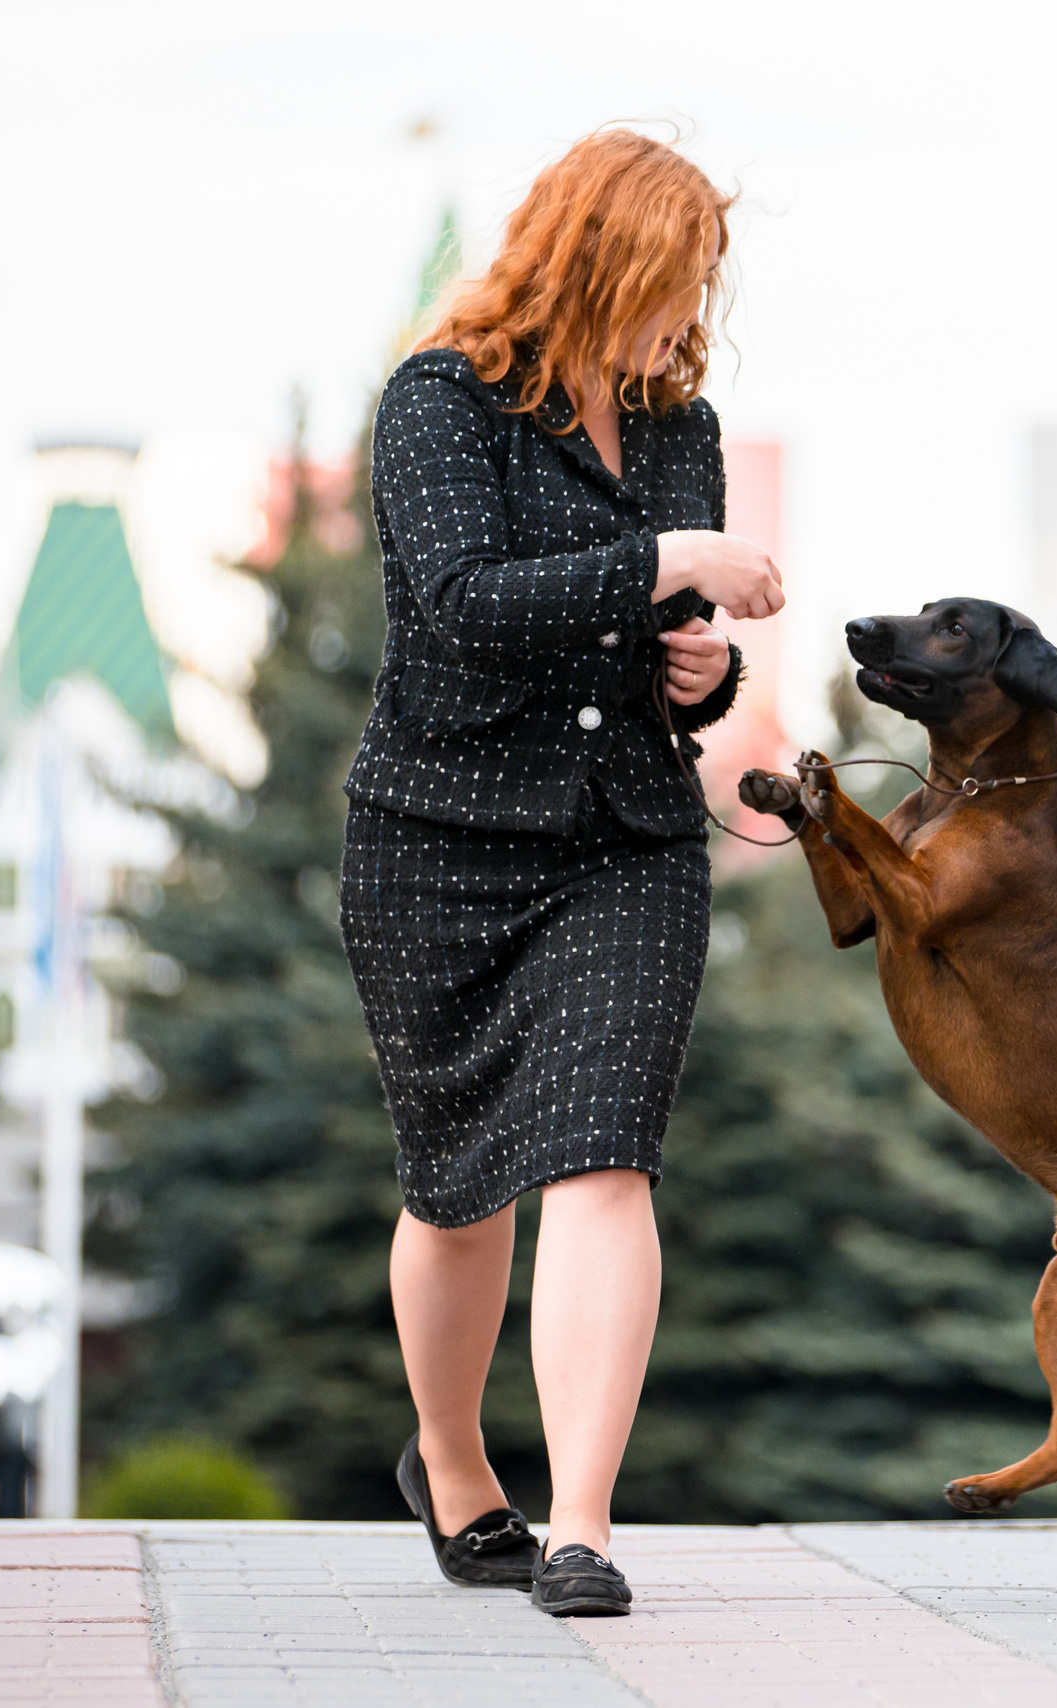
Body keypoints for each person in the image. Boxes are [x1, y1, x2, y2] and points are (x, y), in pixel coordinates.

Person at [338, 126, 784, 1618]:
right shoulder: (439, 401)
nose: (691, 312)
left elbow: (665, 660)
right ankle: (454, 1465)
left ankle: (582, 1527)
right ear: (603, 261)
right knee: (458, 1190)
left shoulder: (678, 426)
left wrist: (704, 673)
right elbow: (463, 606)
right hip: (439, 842)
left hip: (624, 843)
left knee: (602, 1159)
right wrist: (669, 564)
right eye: (676, 278)